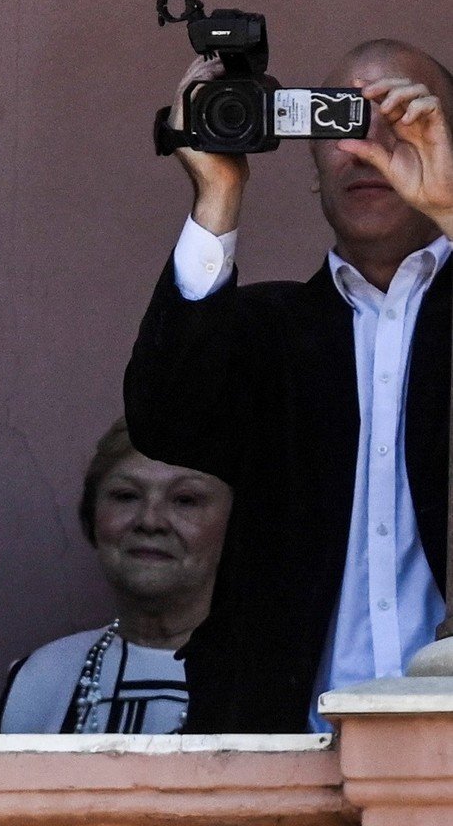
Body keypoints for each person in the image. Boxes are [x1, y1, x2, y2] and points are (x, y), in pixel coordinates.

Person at [125, 39, 453, 733]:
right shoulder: (269, 331)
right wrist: (217, 192)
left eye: (403, 117)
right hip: (289, 748)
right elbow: (165, 418)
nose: (367, 145)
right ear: (311, 166)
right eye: (337, 117)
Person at [0, 418, 231, 734]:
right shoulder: (40, 680)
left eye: (185, 500)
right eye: (126, 496)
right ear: (92, 517)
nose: (150, 521)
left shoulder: (274, 680)